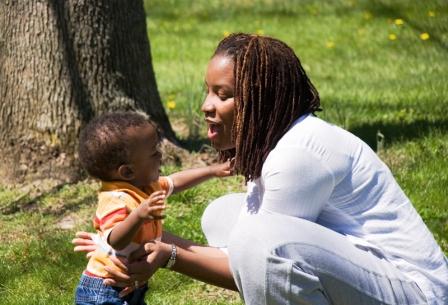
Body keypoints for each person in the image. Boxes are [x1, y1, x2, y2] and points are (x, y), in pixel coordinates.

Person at [74, 34, 448, 305]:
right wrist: (135, 244)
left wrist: (170, 256)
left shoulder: (299, 155)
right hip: (368, 274)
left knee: (263, 242)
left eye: (224, 94)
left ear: (260, 100)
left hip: (413, 294)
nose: (206, 105)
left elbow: (260, 259)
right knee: (223, 215)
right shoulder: (281, 142)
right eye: (208, 91)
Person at [74, 111, 232, 305]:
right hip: (105, 289)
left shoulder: (145, 185)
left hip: (130, 285)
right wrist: (138, 215)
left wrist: (212, 171)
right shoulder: (116, 199)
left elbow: (175, 181)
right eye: (153, 152)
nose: (160, 154)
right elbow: (115, 239)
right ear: (128, 171)